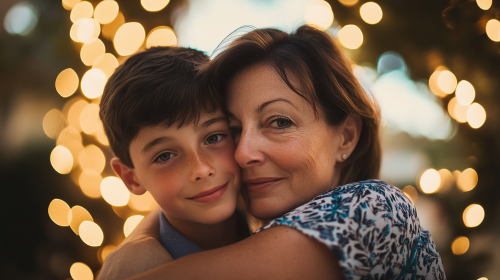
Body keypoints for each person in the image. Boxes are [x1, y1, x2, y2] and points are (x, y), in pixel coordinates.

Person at [99, 26, 446, 280]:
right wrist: (141, 240)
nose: (244, 152)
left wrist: (137, 250)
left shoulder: (378, 208)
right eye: (233, 131)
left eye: (279, 122)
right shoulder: (245, 234)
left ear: (346, 137)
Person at [98, 47, 250, 279]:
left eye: (213, 138)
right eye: (165, 156)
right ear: (132, 178)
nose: (201, 169)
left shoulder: (270, 211)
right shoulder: (142, 270)